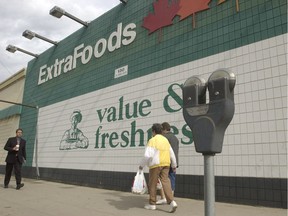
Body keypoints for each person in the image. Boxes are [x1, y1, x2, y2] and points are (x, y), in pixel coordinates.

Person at [139, 123, 178, 213]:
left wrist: (141, 165)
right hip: (166, 164)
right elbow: (171, 154)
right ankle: (172, 201)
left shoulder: (152, 140)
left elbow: (147, 155)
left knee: (152, 183)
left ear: (154, 131)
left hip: (155, 165)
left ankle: (152, 204)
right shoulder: (165, 140)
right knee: (166, 182)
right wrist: (174, 165)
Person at [156, 122, 179, 205]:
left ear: (164, 129)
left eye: (161, 129)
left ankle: (163, 198)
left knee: (162, 180)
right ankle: (171, 199)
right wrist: (174, 164)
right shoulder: (175, 138)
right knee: (172, 180)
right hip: (174, 162)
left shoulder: (163, 138)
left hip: (164, 162)